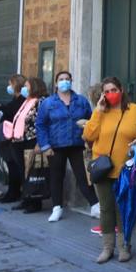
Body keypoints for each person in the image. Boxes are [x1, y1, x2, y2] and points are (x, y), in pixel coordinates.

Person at [83, 76, 136, 263]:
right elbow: (88, 134)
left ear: (121, 90)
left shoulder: (134, 111)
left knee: (123, 209)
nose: (110, 94)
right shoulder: (100, 112)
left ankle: (124, 246)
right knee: (106, 209)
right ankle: (107, 247)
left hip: (125, 170)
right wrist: (97, 111)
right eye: (106, 91)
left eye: (114, 90)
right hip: (102, 169)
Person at [36, 70, 98, 222]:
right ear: (56, 83)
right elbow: (41, 125)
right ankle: (57, 207)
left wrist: (88, 135)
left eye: (67, 79)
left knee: (83, 177)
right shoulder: (48, 103)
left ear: (71, 81)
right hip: (55, 146)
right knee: (56, 177)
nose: (65, 81)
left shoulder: (81, 101)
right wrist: (45, 145)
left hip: (77, 144)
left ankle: (95, 205)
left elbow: (91, 120)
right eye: (61, 79)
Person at [10, 77, 48, 210]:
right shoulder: (27, 100)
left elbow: (42, 122)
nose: (24, 89)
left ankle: (35, 202)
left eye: (26, 86)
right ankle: (26, 198)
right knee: (23, 172)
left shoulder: (41, 101)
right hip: (19, 140)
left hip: (32, 141)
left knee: (33, 172)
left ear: (35, 86)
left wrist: (40, 141)